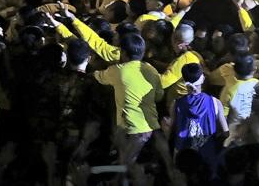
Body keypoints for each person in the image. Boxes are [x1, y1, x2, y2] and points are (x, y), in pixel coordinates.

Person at [92, 33, 166, 163]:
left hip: (129, 130)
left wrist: (91, 66)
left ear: (124, 53)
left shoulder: (118, 70)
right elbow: (159, 96)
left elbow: (99, 76)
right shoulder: (151, 70)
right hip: (150, 128)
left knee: (125, 166)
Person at [169, 63, 228, 178]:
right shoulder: (215, 103)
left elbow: (172, 130)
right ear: (203, 79)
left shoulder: (176, 104)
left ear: (184, 81)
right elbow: (226, 133)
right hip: (208, 156)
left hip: (183, 157)